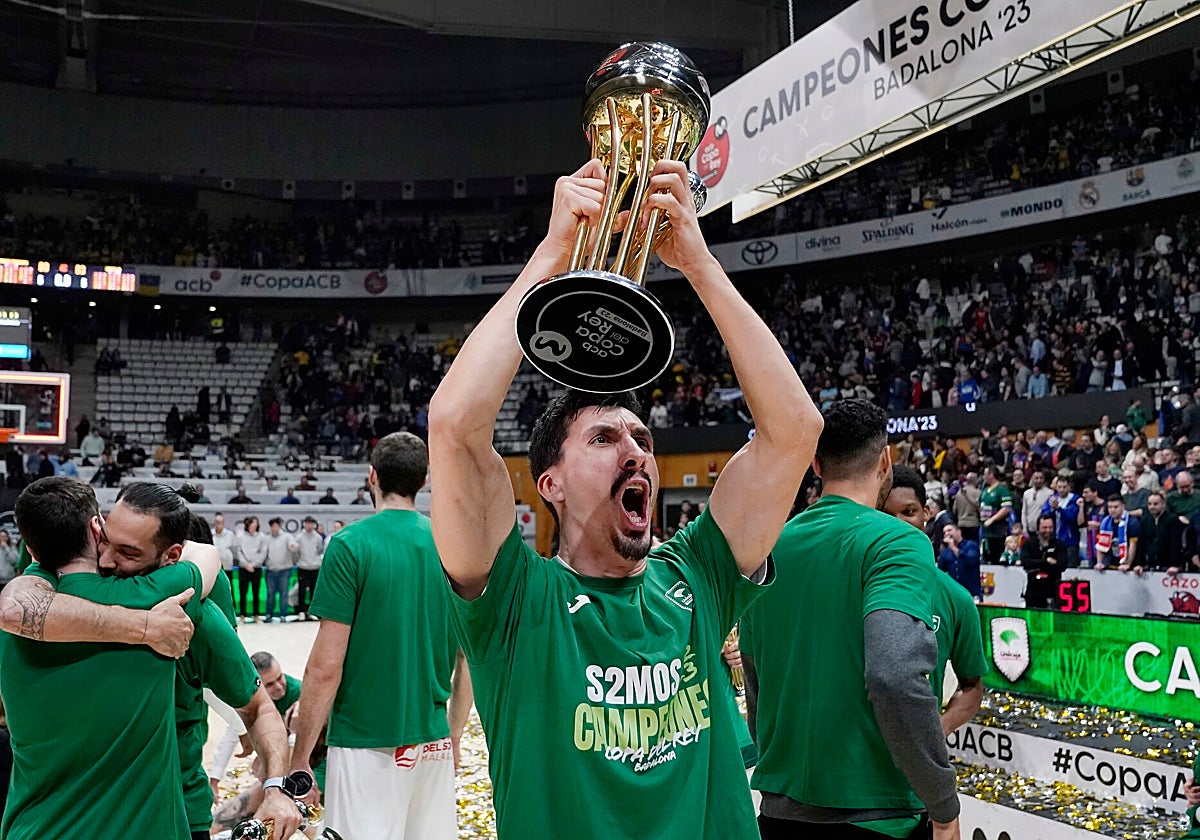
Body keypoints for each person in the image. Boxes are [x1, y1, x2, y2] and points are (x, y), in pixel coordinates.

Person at [427, 160, 822, 839]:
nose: (636, 450)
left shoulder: (695, 575)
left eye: (641, 437)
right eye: (605, 438)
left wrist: (697, 263)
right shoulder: (517, 602)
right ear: (548, 483)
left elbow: (795, 431)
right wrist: (550, 258)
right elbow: (455, 428)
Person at [0, 478, 298, 839]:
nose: (109, 560)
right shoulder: (178, 606)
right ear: (98, 526)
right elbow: (258, 706)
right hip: (158, 820)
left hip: (34, 827)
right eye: (110, 543)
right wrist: (276, 787)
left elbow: (14, 609)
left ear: (30, 549)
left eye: (126, 551)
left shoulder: (20, 612)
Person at [742, 401, 958, 839]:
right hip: (880, 814)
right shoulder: (898, 542)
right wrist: (942, 802)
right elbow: (893, 675)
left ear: (816, 464)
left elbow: (754, 680)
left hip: (780, 812)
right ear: (886, 460)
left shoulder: (766, 547)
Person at [290, 432, 474, 840]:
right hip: (433, 739)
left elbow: (325, 665)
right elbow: (468, 659)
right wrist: (455, 734)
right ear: (423, 482)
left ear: (371, 477)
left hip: (365, 741)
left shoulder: (350, 545)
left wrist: (301, 756)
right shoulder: (451, 543)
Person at [882, 466, 987, 737]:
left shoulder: (956, 599)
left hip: (918, 755)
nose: (899, 523)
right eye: (885, 514)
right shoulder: (850, 583)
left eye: (908, 512)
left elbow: (972, 686)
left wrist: (942, 727)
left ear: (926, 514)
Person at [1020, 515, 1069, 608]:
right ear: (1038, 527)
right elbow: (1025, 563)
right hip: (1033, 591)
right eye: (1044, 527)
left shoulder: (1059, 544)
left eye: (1050, 527)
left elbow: (1062, 566)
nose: (1048, 530)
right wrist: (1046, 561)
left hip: (1053, 590)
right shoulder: (1029, 543)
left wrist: (1037, 567)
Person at [1042, 476, 1082, 567]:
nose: (1062, 490)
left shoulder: (1075, 500)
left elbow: (1071, 518)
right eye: (1059, 487)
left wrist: (1059, 509)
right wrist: (1052, 510)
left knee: (1070, 566)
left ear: (1069, 487)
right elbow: (1044, 515)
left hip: (1070, 540)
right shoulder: (1051, 499)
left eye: (1064, 487)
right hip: (1054, 539)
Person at [263, 518, 298, 623]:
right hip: (271, 570)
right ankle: (269, 614)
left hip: (284, 570)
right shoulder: (267, 538)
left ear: (280, 526)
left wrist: (293, 547)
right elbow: (264, 552)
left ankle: (283, 614)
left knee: (284, 594)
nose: (274, 528)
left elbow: (294, 546)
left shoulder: (287, 537)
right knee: (270, 594)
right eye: (272, 526)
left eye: (276, 526)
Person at [1095, 494, 1140, 572]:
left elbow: (1133, 545)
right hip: (1111, 564)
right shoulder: (1105, 522)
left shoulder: (1132, 522)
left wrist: (1128, 564)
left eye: (1116, 507)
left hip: (1129, 566)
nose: (1112, 510)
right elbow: (1100, 545)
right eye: (1110, 507)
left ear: (1123, 506)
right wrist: (1099, 562)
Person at [938, 523, 982, 601]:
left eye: (949, 530)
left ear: (958, 531)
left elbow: (971, 560)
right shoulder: (945, 552)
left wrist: (954, 548)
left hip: (972, 593)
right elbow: (940, 571)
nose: (947, 534)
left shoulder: (971, 545)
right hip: (954, 594)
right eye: (944, 532)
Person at [978, 466, 1012, 565]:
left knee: (996, 556)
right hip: (985, 531)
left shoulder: (1002, 490)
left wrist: (992, 520)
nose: (983, 476)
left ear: (991, 475)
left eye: (985, 474)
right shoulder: (984, 490)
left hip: (998, 531)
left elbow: (1006, 508)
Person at [295, 515, 324, 620]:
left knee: (314, 591)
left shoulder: (318, 537)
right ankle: (301, 611)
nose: (309, 525)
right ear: (304, 524)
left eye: (311, 523)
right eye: (307, 523)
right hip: (303, 567)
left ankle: (312, 612)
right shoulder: (299, 537)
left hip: (315, 567)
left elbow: (320, 550)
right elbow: (296, 552)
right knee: (301, 590)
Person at [238, 516, 266, 623]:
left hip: (256, 568)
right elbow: (238, 551)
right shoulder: (240, 536)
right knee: (243, 592)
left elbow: (263, 552)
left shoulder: (262, 537)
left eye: (255, 525)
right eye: (252, 524)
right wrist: (246, 564)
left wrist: (254, 564)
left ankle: (256, 614)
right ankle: (242, 615)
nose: (253, 527)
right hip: (244, 568)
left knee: (255, 592)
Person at [212, 513, 238, 584]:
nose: (219, 524)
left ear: (223, 523)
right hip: (213, 567)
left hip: (227, 566)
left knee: (228, 584)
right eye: (217, 522)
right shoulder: (211, 534)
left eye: (221, 522)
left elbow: (234, 549)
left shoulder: (230, 534)